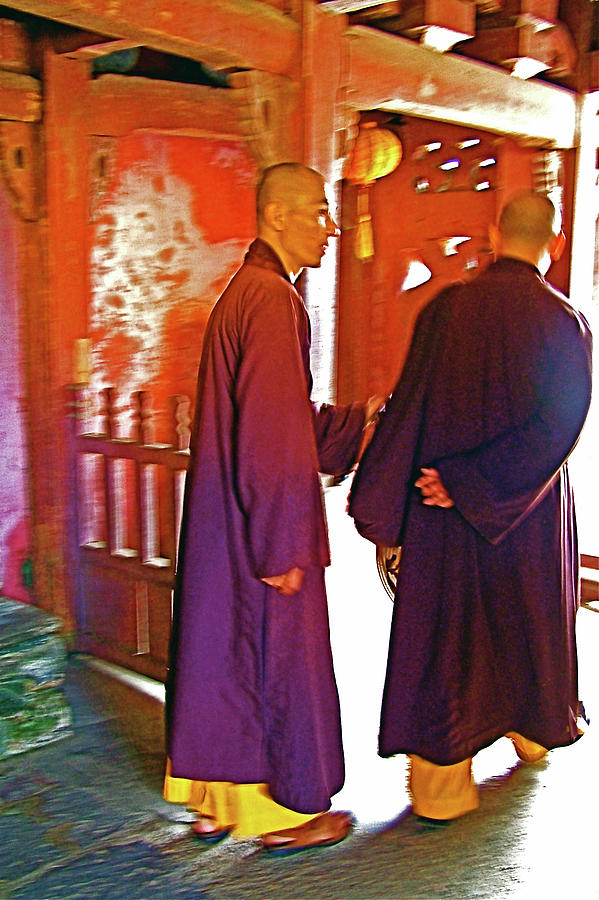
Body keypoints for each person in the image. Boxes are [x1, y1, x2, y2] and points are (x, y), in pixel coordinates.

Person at [349, 190, 593, 821]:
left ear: (492, 233)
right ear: (555, 245)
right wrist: (479, 483)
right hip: (528, 513)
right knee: (529, 626)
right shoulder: (564, 321)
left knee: (448, 646)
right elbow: (561, 426)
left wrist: (405, 501)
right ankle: (532, 735)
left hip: (439, 510)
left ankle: (441, 792)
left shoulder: (445, 310)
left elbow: (409, 410)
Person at [164, 162, 381, 854]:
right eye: (318, 211)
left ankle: (215, 803)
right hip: (258, 522)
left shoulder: (253, 292)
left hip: (229, 518)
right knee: (269, 660)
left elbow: (283, 418)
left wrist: (354, 424)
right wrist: (282, 544)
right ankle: (283, 814)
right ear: (279, 214)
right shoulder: (270, 300)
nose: (330, 225)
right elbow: (267, 434)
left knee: (219, 655)